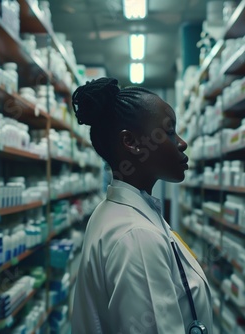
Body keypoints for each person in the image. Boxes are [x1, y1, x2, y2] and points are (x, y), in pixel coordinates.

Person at [71, 77, 212, 333]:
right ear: (131, 142)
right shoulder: (137, 236)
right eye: (169, 131)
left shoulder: (118, 212)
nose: (182, 143)